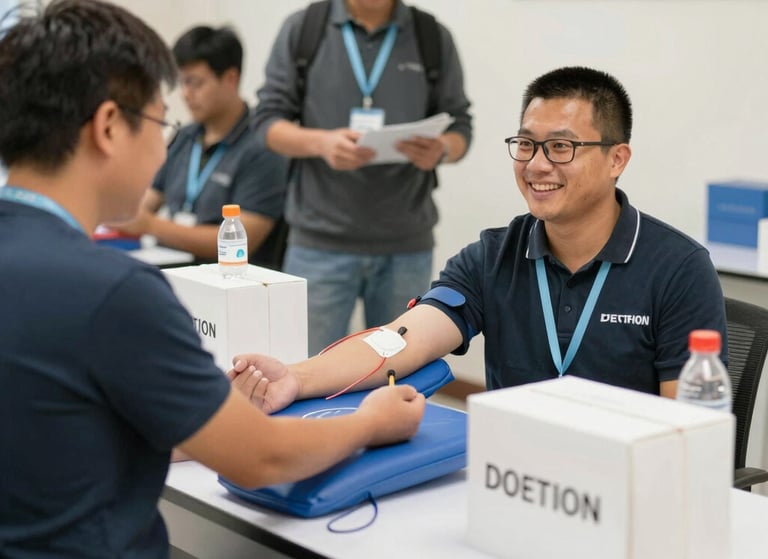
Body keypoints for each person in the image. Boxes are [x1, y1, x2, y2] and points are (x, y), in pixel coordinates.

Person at [0, 2, 424, 557]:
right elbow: (261, 457)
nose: (163, 145)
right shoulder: (113, 292)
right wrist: (369, 423)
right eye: (159, 122)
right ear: (108, 127)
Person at [229, 66, 727, 413]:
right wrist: (297, 377)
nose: (536, 164)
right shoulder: (494, 256)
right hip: (514, 479)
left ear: (617, 159)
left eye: (560, 147)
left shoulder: (677, 269)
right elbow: (400, 340)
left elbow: (686, 430)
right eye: (526, 144)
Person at [253, 0, 473, 354]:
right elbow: (266, 123)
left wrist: (442, 148)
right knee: (307, 371)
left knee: (400, 371)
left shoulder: (431, 36)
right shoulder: (305, 28)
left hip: (405, 244)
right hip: (318, 243)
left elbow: (462, 125)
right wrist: (322, 143)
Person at [112, 25, 289, 269]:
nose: (186, 94)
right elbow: (144, 205)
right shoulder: (185, 136)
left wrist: (150, 226)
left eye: (195, 83)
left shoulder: (262, 146)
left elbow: (242, 242)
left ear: (230, 79)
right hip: (173, 268)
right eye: (182, 83)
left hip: (229, 281)